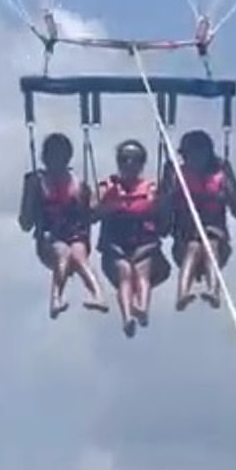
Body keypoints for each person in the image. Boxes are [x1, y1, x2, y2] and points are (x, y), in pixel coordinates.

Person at [17, 132, 108, 319]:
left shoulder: (79, 184)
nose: (56, 159)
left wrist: (99, 205)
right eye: (53, 155)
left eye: (61, 155)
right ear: (45, 157)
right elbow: (25, 223)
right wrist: (31, 195)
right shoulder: (37, 182)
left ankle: (98, 295)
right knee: (63, 253)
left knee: (79, 256)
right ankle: (56, 298)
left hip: (76, 234)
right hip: (50, 237)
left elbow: (91, 214)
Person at [91, 139, 170, 338]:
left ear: (141, 163)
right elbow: (91, 213)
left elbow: (163, 222)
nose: (129, 164)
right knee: (125, 273)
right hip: (115, 246)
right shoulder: (106, 187)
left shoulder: (151, 190)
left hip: (144, 245)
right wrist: (107, 203)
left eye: (134, 160)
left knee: (142, 272)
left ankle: (142, 308)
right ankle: (127, 317)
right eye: (124, 159)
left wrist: (161, 203)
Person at [162, 129, 236, 311]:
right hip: (184, 243)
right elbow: (162, 223)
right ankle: (183, 293)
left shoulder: (220, 176)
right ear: (185, 155)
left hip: (217, 242)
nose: (196, 158)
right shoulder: (177, 176)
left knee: (210, 244)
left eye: (201, 153)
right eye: (192, 153)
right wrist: (167, 190)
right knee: (194, 246)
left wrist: (230, 189)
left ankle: (213, 290)